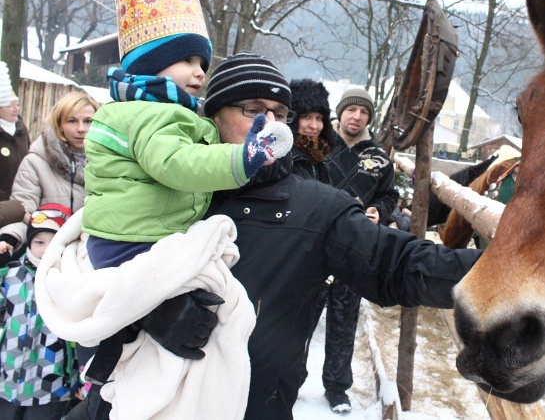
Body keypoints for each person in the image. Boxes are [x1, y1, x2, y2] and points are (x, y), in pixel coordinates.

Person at [44, 52, 483, 419]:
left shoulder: (316, 209)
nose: (271, 124)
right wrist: (145, 310)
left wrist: (499, 272)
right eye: (253, 110)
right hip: (132, 401)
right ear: (210, 120)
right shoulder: (168, 196)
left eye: (281, 115)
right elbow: (92, 275)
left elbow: (399, 264)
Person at [81, 0, 292, 271]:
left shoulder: (146, 108)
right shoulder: (150, 113)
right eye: (188, 61)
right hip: (135, 241)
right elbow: (175, 162)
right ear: (150, 64)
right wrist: (241, 158)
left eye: (202, 64)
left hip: (130, 234)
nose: (200, 73)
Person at [316, 87, 399, 412]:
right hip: (315, 244)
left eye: (363, 112)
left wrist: (380, 211)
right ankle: (289, 376)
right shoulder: (319, 147)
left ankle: (337, 388)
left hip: (353, 248)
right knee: (301, 317)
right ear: (341, 112)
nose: (357, 117)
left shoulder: (378, 157)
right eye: (351, 110)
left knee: (344, 319)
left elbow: (389, 196)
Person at [0, 91, 99, 265]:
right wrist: (9, 239)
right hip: (46, 258)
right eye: (72, 121)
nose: (81, 128)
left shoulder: (110, 163)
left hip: (91, 258)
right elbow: (24, 213)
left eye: (88, 121)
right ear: (59, 124)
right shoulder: (35, 163)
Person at [0, 203, 80, 418]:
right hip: (7, 379)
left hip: (51, 386)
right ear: (29, 242)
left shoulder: (69, 278)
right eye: (38, 242)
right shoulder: (12, 273)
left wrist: (82, 377)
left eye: (53, 242)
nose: (45, 249)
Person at [289, 78, 339, 182]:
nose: (314, 126)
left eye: (319, 118)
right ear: (292, 118)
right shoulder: (283, 157)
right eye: (306, 117)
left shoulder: (321, 155)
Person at [0, 61, 30, 202]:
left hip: (22, 200)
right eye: (10, 106)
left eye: (17, 104)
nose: (16, 109)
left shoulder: (21, 130)